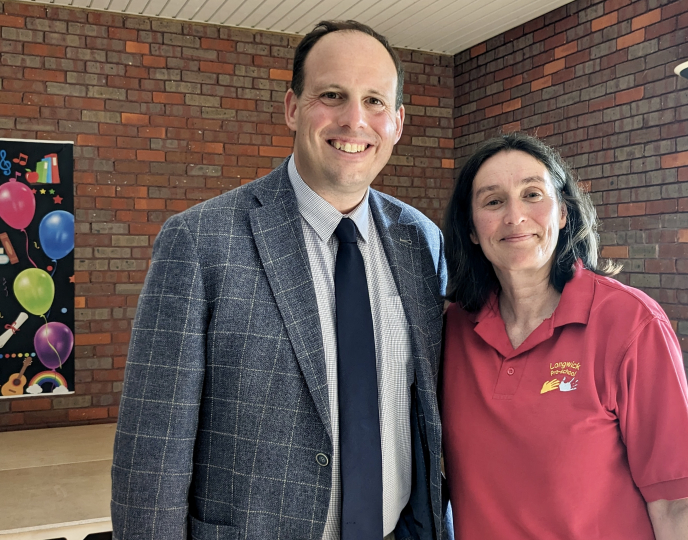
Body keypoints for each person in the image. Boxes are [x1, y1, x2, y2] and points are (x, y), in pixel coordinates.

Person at [111, 20, 448, 540]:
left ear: (398, 121)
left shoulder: (421, 241)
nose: (355, 119)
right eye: (332, 95)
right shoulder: (199, 242)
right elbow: (151, 454)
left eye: (375, 101)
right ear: (292, 107)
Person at [441, 133, 688, 540]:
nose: (515, 216)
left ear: (563, 213)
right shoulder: (454, 330)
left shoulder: (631, 323)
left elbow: (677, 504)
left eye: (532, 194)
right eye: (493, 201)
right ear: (473, 229)